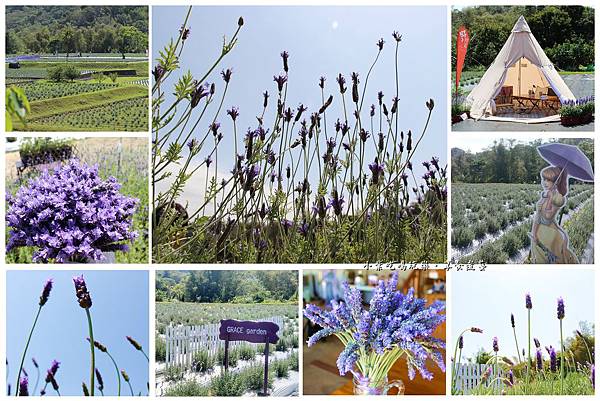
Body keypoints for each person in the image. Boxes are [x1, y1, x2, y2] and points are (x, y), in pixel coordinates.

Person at [530, 166, 578, 264]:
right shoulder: (545, 194)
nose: (544, 182)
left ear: (556, 181)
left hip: (548, 233)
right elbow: (538, 217)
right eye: (544, 179)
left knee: (546, 260)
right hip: (539, 230)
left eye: (548, 180)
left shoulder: (558, 198)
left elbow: (548, 216)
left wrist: (550, 199)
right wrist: (534, 232)